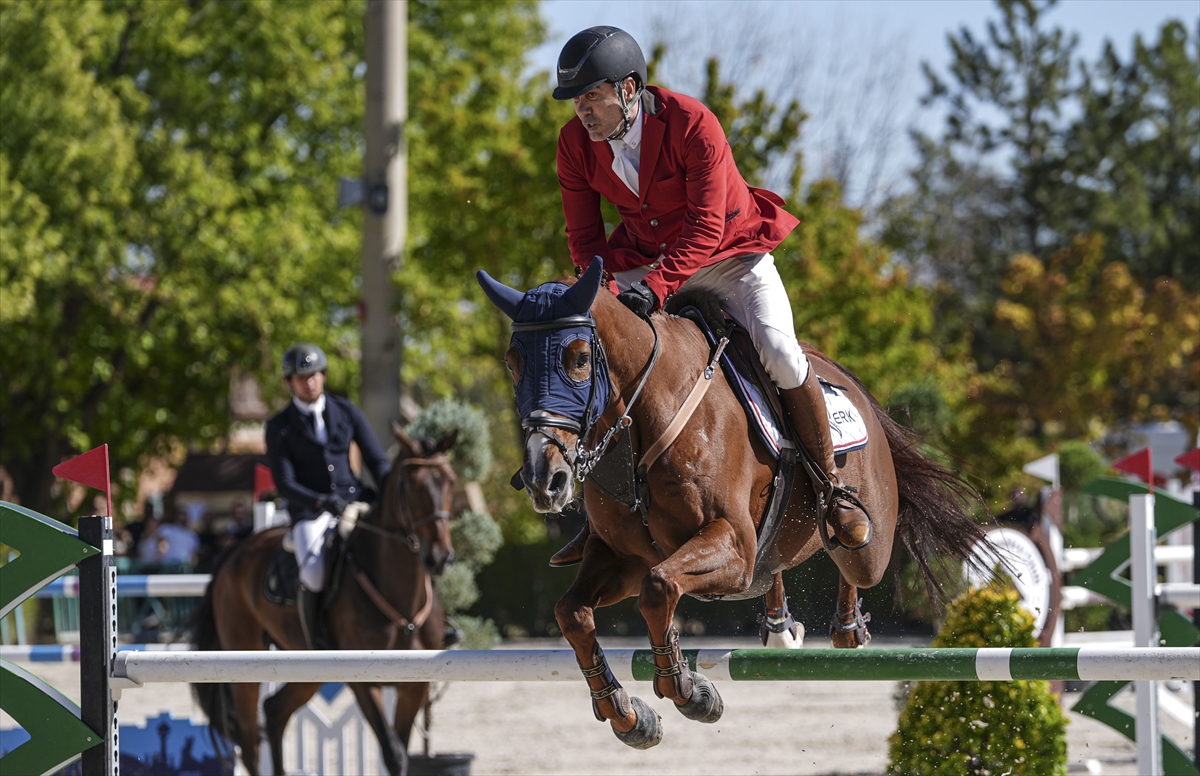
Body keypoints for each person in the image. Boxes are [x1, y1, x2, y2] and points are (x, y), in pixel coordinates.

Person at [548, 26, 871, 566]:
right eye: (576, 100)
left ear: (629, 89)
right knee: (594, 352)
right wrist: (600, 298)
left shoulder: (693, 123)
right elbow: (584, 240)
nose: (582, 110)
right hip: (647, 259)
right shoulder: (574, 145)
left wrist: (653, 291)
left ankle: (833, 487)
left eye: (592, 96)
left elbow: (702, 228)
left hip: (728, 255)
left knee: (779, 350)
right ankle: (604, 515)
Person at [264, 343, 391, 646]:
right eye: (301, 377)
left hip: (354, 499)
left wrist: (388, 493)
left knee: (400, 544)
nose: (310, 382)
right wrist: (320, 502)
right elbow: (284, 484)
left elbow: (377, 460)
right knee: (313, 571)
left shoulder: (346, 411)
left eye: (315, 375)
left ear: (323, 376)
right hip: (311, 510)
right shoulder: (279, 427)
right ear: (290, 383)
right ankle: (317, 638)